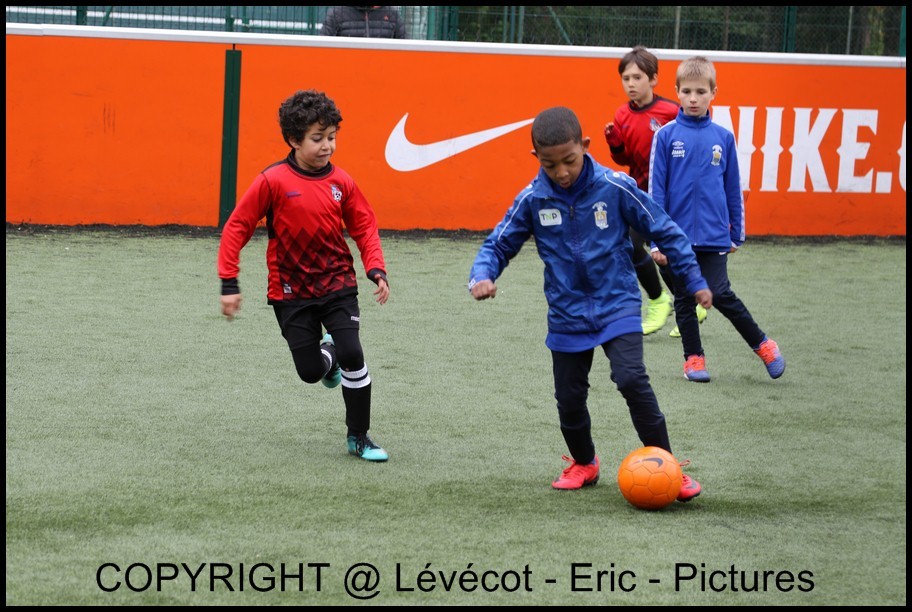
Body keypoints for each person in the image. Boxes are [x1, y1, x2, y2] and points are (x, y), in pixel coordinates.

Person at [469, 106, 710, 500]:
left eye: (569, 160)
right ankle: (584, 462)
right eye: (550, 165)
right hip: (567, 313)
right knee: (568, 398)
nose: (562, 172)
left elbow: (665, 229)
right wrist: (482, 275)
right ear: (536, 158)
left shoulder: (615, 186)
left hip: (617, 303)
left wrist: (695, 281)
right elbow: (498, 244)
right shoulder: (533, 198)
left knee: (631, 379)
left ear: (585, 146)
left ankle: (668, 466)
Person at [217, 89, 392, 462]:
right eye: (317, 138)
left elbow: (364, 224)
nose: (327, 146)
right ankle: (328, 353)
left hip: (338, 283)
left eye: (332, 137)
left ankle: (359, 436)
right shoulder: (272, 181)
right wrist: (229, 282)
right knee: (311, 372)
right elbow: (237, 227)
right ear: (294, 140)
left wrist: (375, 267)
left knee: (353, 353)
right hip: (291, 292)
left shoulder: (342, 182)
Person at [649, 56, 785, 383]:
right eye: (687, 91)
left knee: (720, 293)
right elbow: (656, 193)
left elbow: (732, 188)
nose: (693, 98)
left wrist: (736, 234)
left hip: (714, 236)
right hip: (676, 239)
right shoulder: (665, 137)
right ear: (677, 92)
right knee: (685, 298)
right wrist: (656, 240)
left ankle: (763, 344)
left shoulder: (723, 138)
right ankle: (693, 359)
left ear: (713, 93)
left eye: (700, 92)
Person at [605, 45, 707, 337]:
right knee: (627, 243)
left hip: (670, 196)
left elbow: (693, 144)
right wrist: (614, 143)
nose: (631, 84)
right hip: (639, 195)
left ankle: (690, 303)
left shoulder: (671, 111)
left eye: (637, 77)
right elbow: (624, 159)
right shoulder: (622, 114)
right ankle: (659, 300)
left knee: (665, 254)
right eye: (626, 78)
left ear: (653, 79)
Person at [321, 6, 406, 39]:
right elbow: (322, 47)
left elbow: (405, 48)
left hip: (383, 71)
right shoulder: (337, 13)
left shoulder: (392, 14)